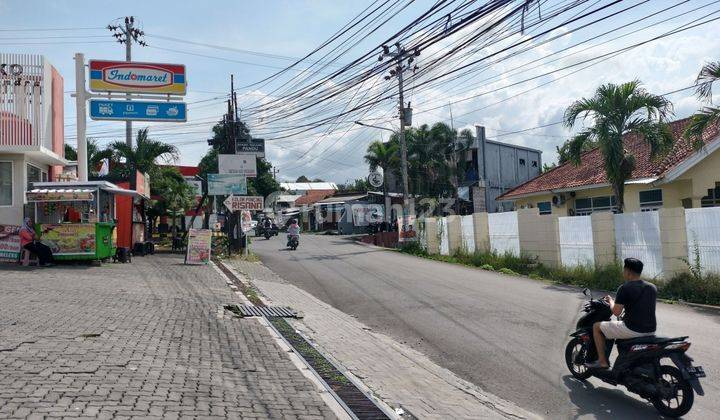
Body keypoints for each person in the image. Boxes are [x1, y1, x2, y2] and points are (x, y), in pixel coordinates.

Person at [586, 258, 657, 369]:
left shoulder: (625, 288)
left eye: (624, 270)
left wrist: (610, 301)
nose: (623, 272)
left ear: (628, 272)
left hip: (632, 329)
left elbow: (616, 312)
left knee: (596, 327)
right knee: (612, 327)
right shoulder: (652, 287)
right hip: (650, 330)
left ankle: (602, 361)